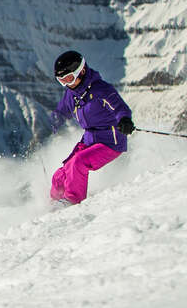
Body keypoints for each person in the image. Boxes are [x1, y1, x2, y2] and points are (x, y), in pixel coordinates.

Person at [49, 50, 133, 205]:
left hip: (110, 141)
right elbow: (62, 111)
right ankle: (54, 203)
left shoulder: (101, 89)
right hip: (89, 140)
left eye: (68, 78)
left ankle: (72, 202)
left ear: (81, 71)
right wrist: (54, 121)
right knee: (60, 175)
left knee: (78, 162)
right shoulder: (71, 94)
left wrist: (125, 120)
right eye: (61, 81)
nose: (67, 84)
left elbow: (120, 108)